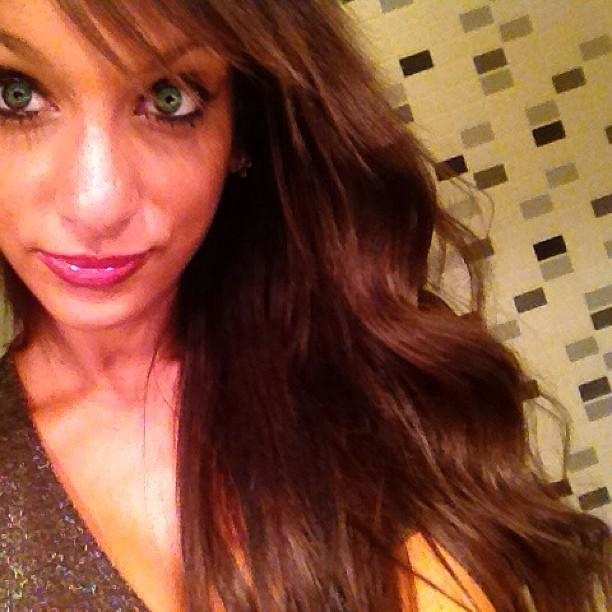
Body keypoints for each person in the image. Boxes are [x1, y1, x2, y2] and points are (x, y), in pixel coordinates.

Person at [0, 0, 609, 610]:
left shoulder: (374, 380)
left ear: (244, 127)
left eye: (169, 98)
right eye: (16, 95)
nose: (97, 205)